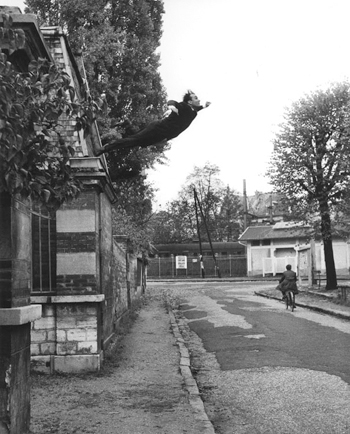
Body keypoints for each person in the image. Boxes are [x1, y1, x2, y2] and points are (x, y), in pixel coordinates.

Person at [95, 90, 211, 155]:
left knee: (136, 143)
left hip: (161, 136)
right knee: (135, 140)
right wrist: (172, 107)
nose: (198, 99)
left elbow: (197, 108)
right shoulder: (184, 107)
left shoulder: (193, 112)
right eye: (196, 98)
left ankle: (125, 127)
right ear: (190, 101)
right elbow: (172, 102)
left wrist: (204, 106)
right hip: (157, 129)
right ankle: (105, 148)